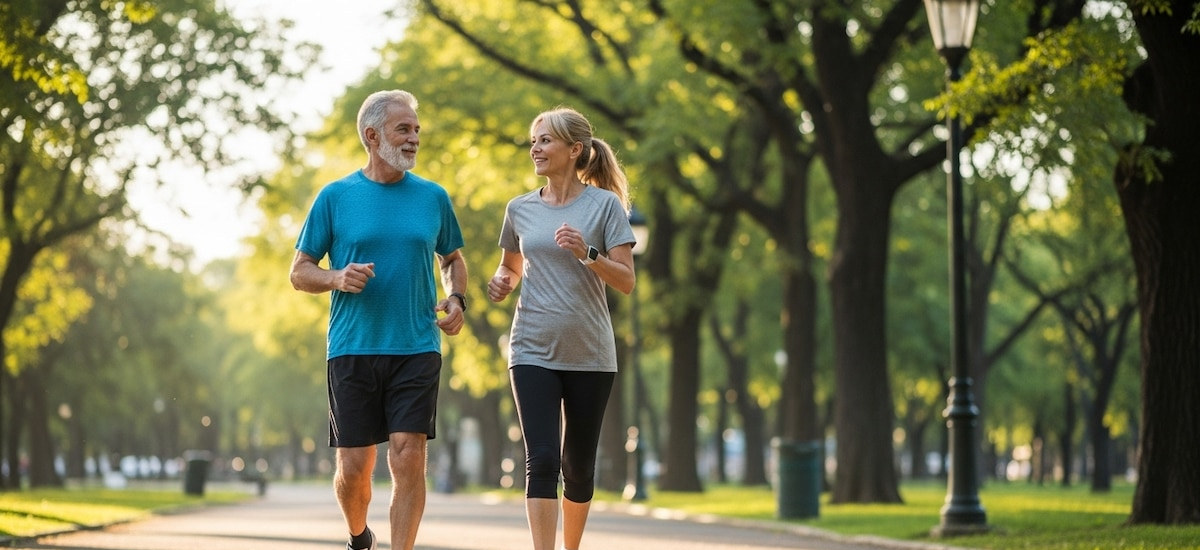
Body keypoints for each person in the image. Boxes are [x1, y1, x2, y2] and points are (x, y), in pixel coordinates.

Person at [289, 89, 467, 550]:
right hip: (353, 347)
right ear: (372, 136)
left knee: (409, 457)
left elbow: (452, 258)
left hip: (416, 346)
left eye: (416, 131)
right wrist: (335, 276)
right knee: (354, 467)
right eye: (403, 130)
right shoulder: (335, 197)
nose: (413, 139)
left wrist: (457, 298)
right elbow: (299, 271)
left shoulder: (433, 197)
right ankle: (357, 535)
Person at [487, 107, 636, 550]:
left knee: (578, 465)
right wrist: (501, 282)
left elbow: (626, 280)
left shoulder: (604, 206)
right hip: (531, 347)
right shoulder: (520, 209)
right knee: (543, 459)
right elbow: (509, 268)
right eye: (534, 141)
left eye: (545, 140)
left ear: (575, 150)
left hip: (590, 352)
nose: (535, 148)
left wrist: (587, 252)